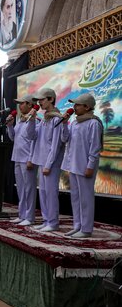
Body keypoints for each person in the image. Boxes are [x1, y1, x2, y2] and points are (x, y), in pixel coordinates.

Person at [60, 93, 103, 238]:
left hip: (85, 167)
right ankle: (77, 225)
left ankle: (86, 229)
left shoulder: (94, 123)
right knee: (76, 198)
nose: (74, 107)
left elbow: (95, 147)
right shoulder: (75, 122)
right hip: (73, 165)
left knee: (86, 198)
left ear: (87, 107)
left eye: (78, 105)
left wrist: (90, 166)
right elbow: (65, 139)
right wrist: (65, 123)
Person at [29, 88, 65, 231]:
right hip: (42, 160)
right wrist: (31, 119)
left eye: (42, 100)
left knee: (50, 193)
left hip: (51, 162)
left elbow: (56, 145)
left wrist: (49, 164)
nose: (40, 103)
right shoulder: (44, 119)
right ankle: (46, 220)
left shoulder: (56, 119)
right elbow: (31, 135)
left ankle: (53, 222)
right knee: (43, 192)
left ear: (50, 99)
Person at [7, 95, 37, 225]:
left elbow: (34, 141)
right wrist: (9, 126)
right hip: (17, 158)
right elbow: (13, 138)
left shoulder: (35, 121)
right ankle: (22, 214)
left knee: (29, 189)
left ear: (30, 105)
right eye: (19, 104)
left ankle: (29, 217)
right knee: (20, 188)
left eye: (22, 103)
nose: (20, 106)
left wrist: (31, 158)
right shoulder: (19, 121)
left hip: (27, 159)